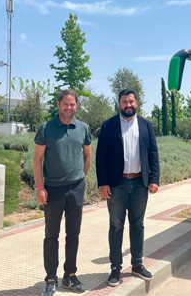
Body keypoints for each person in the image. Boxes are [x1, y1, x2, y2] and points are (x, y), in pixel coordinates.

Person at [96, 89, 160, 287]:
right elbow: (101, 157)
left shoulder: (146, 125)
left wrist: (154, 178)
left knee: (138, 225)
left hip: (140, 184)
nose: (128, 105)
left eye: (131, 101)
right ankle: (115, 267)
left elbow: (153, 153)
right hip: (117, 184)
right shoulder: (108, 125)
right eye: (124, 102)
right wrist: (102, 183)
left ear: (136, 103)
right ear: (119, 104)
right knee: (116, 225)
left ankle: (137, 264)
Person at [34, 90, 91, 296]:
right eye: (66, 104)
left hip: (76, 188)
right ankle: (51, 278)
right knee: (51, 235)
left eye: (72, 104)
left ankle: (70, 275)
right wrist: (40, 187)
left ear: (76, 105)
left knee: (73, 234)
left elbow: (87, 155)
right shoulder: (46, 128)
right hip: (53, 189)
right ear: (59, 104)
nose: (69, 108)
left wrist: (80, 177)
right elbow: (37, 159)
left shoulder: (83, 128)